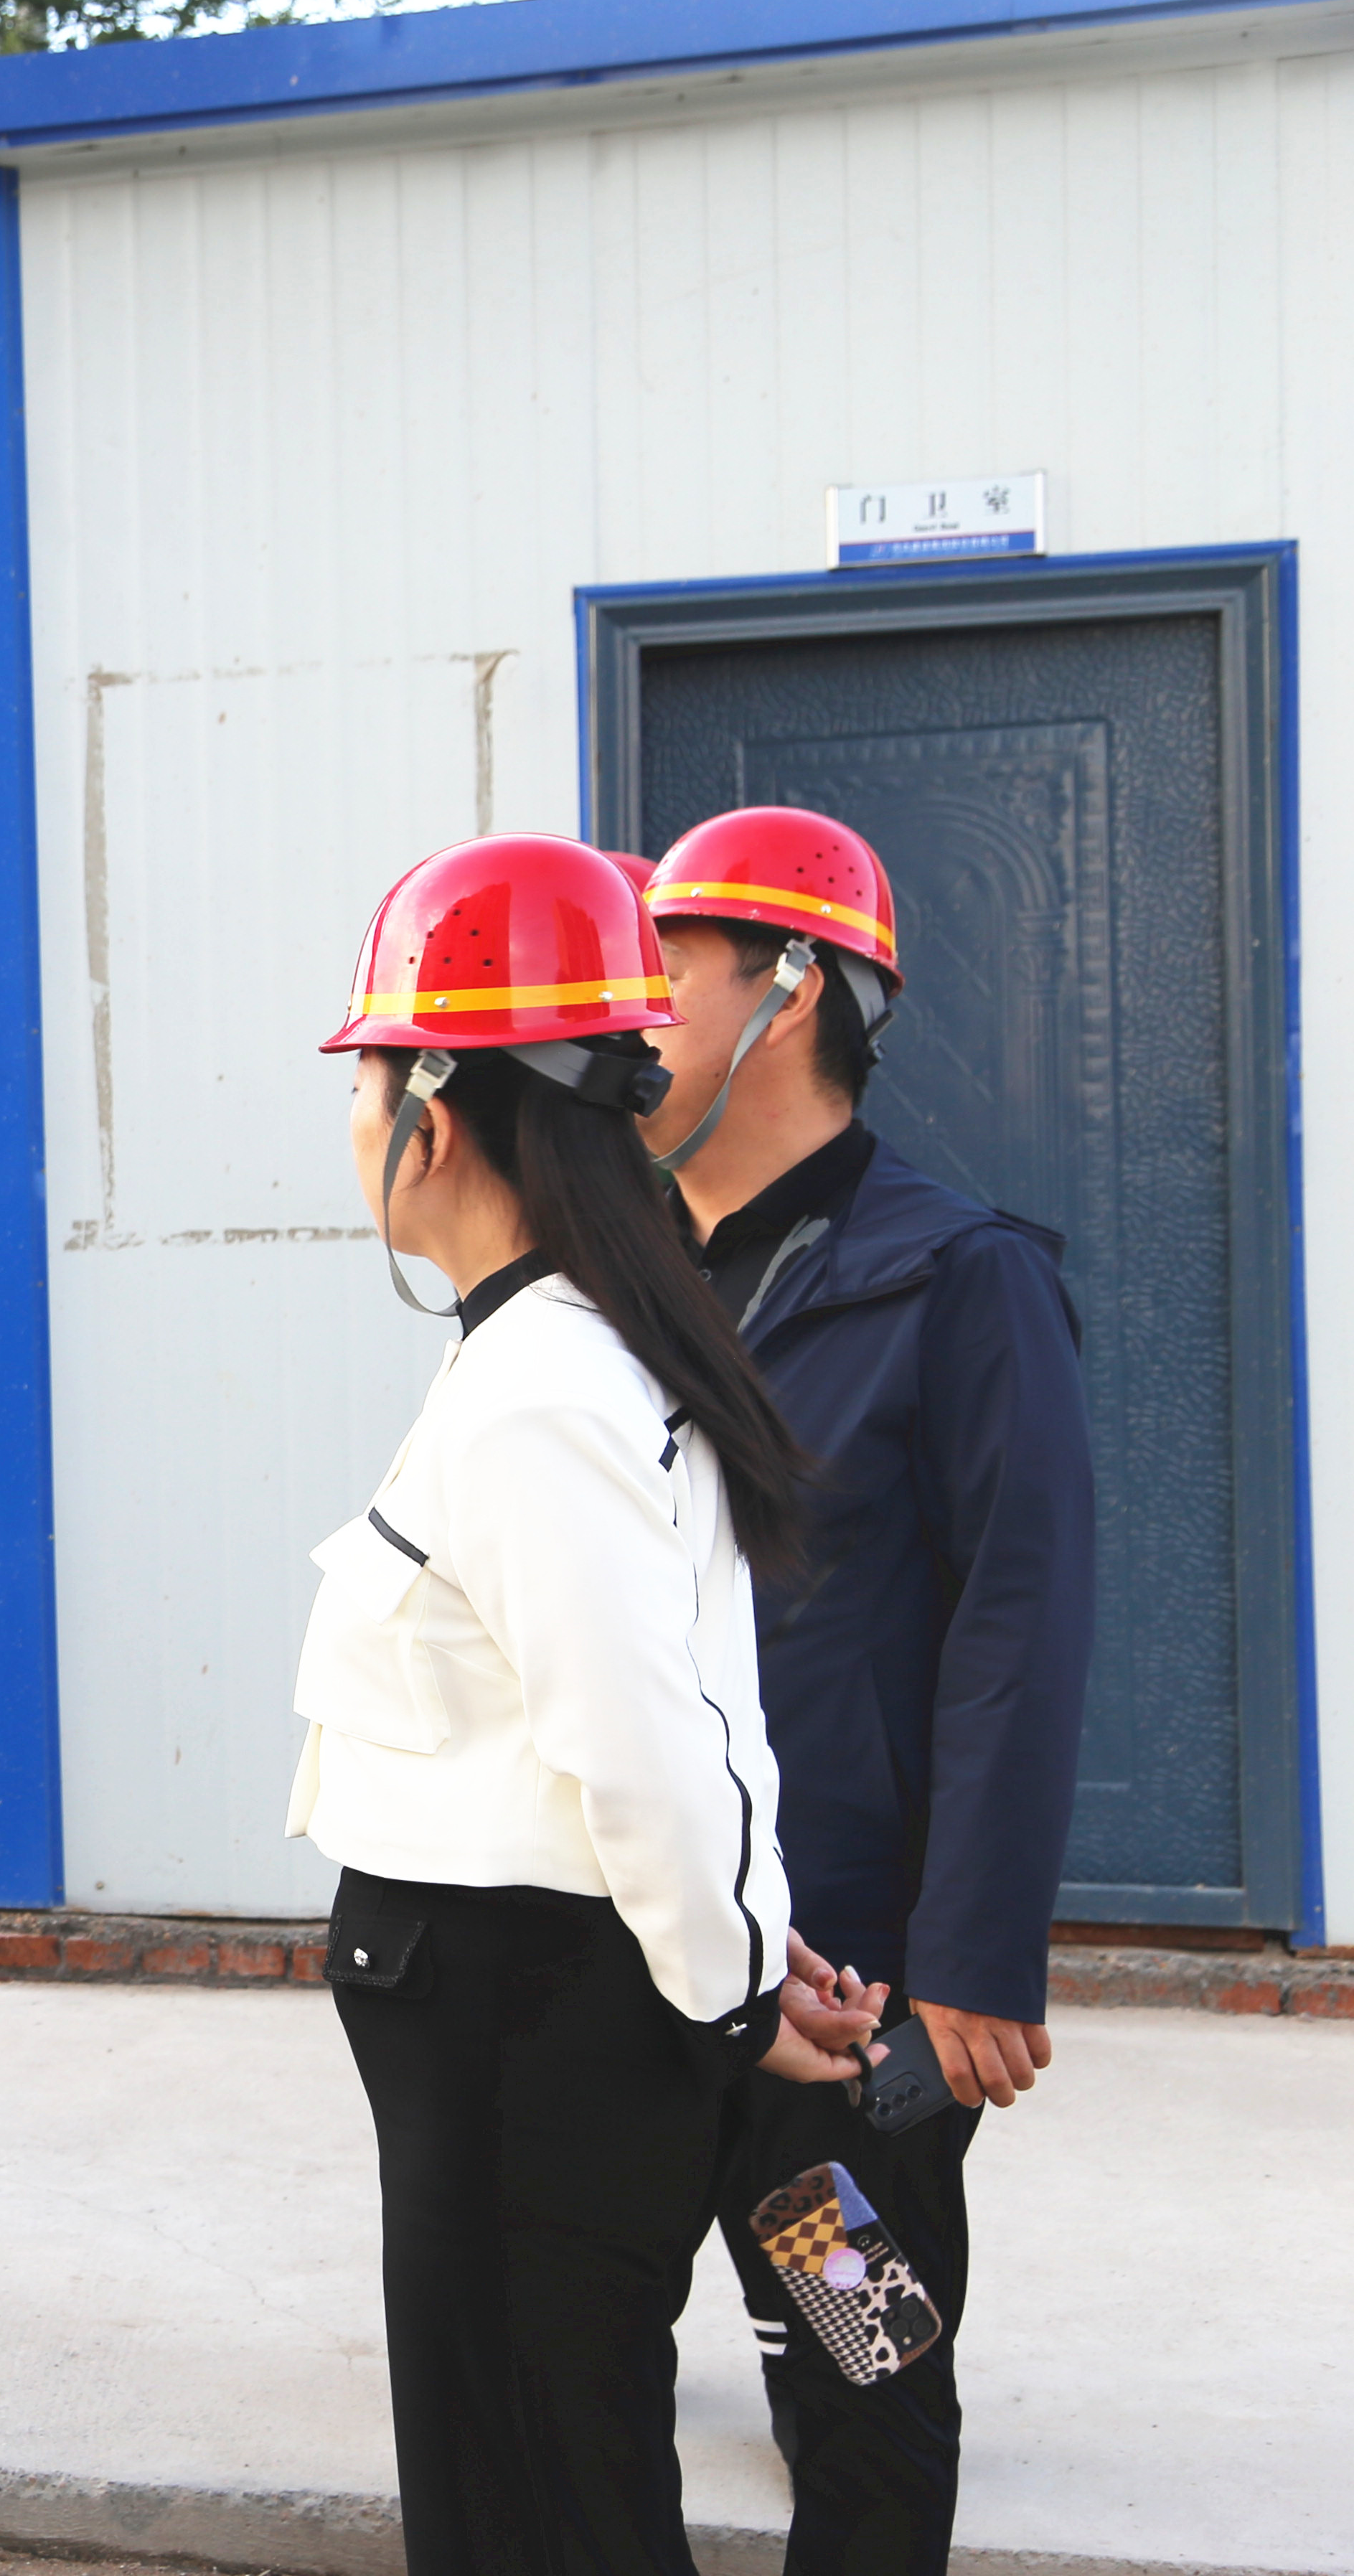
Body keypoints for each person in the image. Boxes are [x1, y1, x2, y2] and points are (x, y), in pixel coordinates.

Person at [293, 836, 882, 2575]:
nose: (353, 1124)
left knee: (528, 2498)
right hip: (542, 2007)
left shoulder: (539, 1386)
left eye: (367, 1082)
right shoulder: (567, 1346)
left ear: (435, 1116)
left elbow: (641, 1746)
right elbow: (697, 1710)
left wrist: (732, 1984)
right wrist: (748, 1948)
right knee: (563, 2465)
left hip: (521, 2022)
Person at [639, 806, 1094, 2572]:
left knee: (854, 2374)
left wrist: (969, 1959)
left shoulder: (958, 1279)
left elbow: (1016, 1627)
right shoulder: (604, 1286)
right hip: (631, 1958)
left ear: (792, 989)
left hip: (839, 1986)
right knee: (581, 2384)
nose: (626, 1016)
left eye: (666, 973)